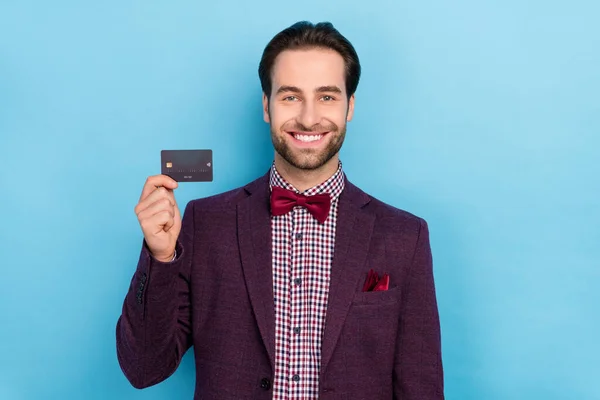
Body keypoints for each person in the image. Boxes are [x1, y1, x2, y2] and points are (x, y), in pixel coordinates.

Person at [116, 20, 444, 400]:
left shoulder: (405, 236)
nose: (308, 118)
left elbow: (421, 387)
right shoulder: (205, 223)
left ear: (349, 106)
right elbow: (143, 368)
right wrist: (161, 257)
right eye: (290, 96)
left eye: (327, 97)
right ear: (266, 107)